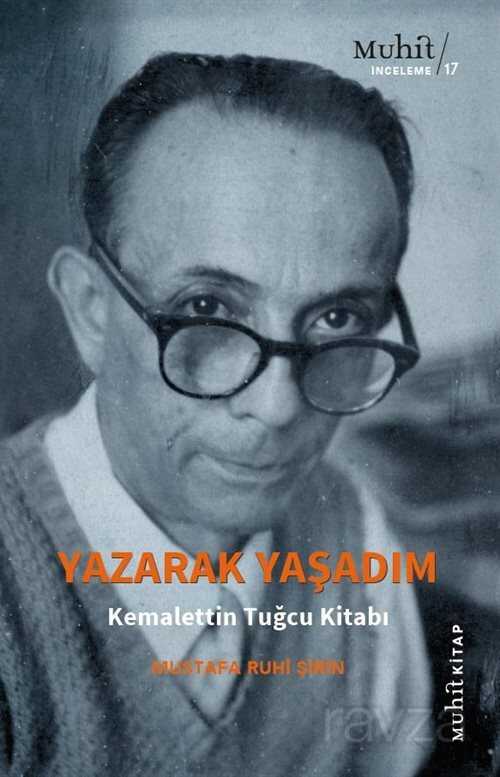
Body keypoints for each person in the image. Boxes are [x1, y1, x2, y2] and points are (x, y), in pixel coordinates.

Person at [0, 53, 432, 776]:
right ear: (91, 311)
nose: (278, 406)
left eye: (337, 316)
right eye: (207, 308)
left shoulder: (354, 535)